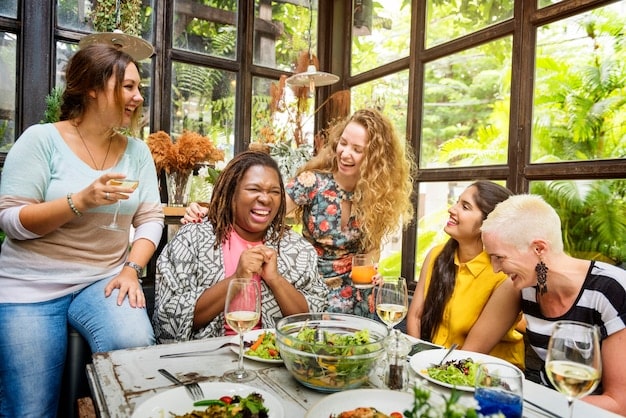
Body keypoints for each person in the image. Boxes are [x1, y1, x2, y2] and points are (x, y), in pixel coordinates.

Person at [0, 44, 163, 417]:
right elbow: (11, 220)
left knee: (134, 347)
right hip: (30, 286)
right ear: (92, 87)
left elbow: (150, 218)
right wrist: (80, 201)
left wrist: (131, 268)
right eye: (127, 87)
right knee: (30, 409)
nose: (138, 97)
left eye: (139, 88)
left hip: (102, 279)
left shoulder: (137, 151)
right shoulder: (41, 140)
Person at [184, 108, 415, 319]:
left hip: (360, 296)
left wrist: (373, 271)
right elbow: (265, 209)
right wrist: (209, 212)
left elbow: (371, 251)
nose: (345, 153)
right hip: (314, 293)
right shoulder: (312, 182)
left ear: (376, 158)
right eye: (343, 143)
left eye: (357, 150)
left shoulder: (378, 197)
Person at [153, 150, 328, 343]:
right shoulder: (192, 240)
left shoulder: (297, 250)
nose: (266, 198)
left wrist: (275, 280)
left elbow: (313, 321)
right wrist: (238, 278)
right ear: (231, 193)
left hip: (272, 358)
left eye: (274, 192)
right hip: (206, 358)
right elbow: (166, 320)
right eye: (254, 189)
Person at [481, 194, 626, 414]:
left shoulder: (612, 290)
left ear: (539, 249)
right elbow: (473, 351)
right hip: (540, 406)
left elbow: (619, 404)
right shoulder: (523, 285)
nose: (495, 268)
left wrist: (528, 400)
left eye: (499, 257)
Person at [405, 181, 525, 369]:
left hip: (487, 377)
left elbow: (470, 355)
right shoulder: (437, 255)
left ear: (488, 223)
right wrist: (413, 359)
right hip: (436, 363)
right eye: (457, 202)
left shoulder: (504, 277)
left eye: (465, 206)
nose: (452, 209)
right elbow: (415, 316)